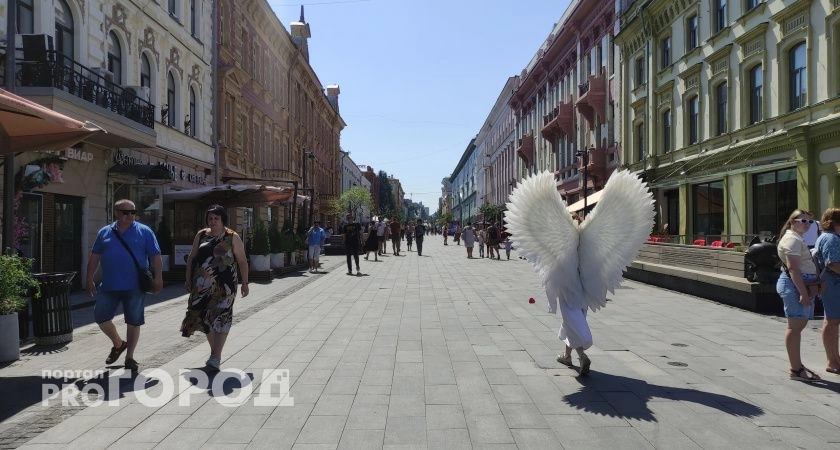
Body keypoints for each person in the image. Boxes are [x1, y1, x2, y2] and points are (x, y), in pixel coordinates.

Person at [86, 199, 163, 372]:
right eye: (126, 212)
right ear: (117, 213)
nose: (130, 216)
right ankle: (118, 343)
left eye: (133, 212)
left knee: (134, 321)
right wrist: (89, 277)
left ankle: (130, 357)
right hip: (109, 285)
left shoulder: (145, 231)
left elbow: (155, 257)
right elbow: (94, 256)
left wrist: (158, 278)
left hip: (135, 286)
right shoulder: (105, 232)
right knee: (100, 316)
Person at [181, 204, 249, 371]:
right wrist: (187, 278)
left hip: (225, 285)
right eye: (210, 218)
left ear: (222, 219)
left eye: (216, 218)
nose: (212, 221)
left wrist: (245, 282)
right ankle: (215, 355)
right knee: (204, 318)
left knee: (222, 318)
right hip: (201, 285)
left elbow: (241, 261)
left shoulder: (232, 237)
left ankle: (215, 357)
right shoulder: (202, 234)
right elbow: (192, 258)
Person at [777, 209, 822, 382]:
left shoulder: (796, 238)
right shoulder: (792, 239)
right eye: (803, 220)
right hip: (796, 286)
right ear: (792, 221)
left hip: (800, 285)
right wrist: (803, 293)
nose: (807, 224)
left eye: (810, 221)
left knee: (797, 325)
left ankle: (797, 366)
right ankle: (796, 369)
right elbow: (793, 269)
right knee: (795, 327)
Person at [813, 208, 840, 375]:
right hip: (833, 284)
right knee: (832, 321)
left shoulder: (827, 237)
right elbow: (833, 264)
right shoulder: (831, 239)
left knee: (832, 320)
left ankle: (835, 358)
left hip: (831, 284)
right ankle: (833, 361)